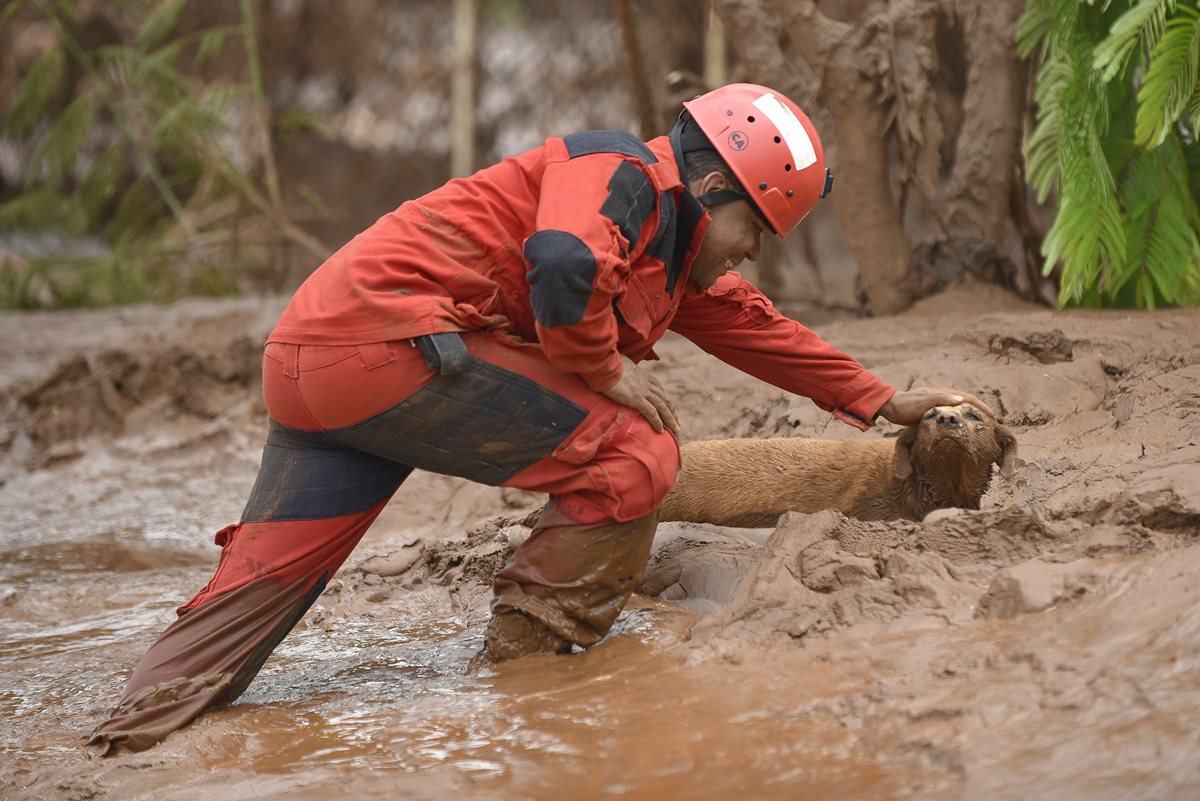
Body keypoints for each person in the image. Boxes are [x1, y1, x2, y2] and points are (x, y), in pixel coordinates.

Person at [88, 82, 993, 755]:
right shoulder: (624, 175)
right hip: (388, 350)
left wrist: (878, 400)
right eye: (755, 225)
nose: (755, 250)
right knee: (633, 453)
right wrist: (603, 369)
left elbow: (760, 330)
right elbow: (561, 262)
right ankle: (532, 674)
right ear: (713, 178)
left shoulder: (673, 247)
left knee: (250, 602)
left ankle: (120, 741)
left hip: (317, 359)